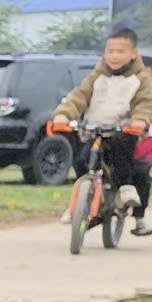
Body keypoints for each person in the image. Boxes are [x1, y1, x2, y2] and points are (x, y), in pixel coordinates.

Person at [49, 27, 152, 238]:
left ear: (133, 54)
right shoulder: (96, 77)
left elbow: (144, 103)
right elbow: (79, 96)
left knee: (122, 152)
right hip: (94, 128)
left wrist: (139, 121)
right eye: (110, 51)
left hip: (123, 129)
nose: (114, 56)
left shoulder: (141, 79)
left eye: (120, 52)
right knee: (82, 160)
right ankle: (85, 203)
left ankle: (124, 188)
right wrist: (63, 115)